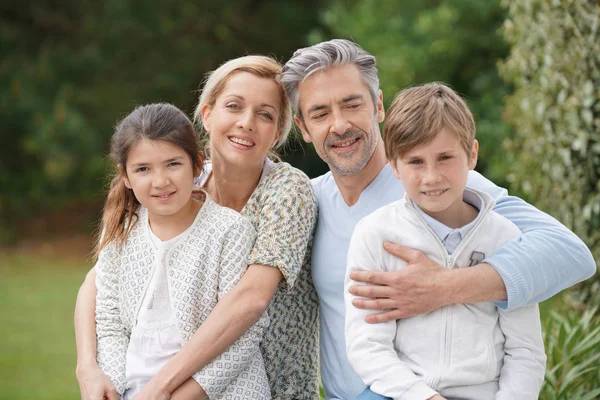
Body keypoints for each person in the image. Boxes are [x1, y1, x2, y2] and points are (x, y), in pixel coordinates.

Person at [280, 38, 595, 399]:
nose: (339, 125)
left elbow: (570, 254)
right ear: (303, 128)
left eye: (352, 104)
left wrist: (442, 288)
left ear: (378, 106)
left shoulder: (440, 187)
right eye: (320, 114)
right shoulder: (306, 203)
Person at [74, 56, 320, 400]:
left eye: (264, 114)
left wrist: (159, 389)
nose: (246, 122)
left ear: (278, 132)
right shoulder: (173, 182)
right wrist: (88, 367)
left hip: (270, 385)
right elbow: (99, 283)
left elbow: (250, 302)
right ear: (207, 114)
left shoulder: (288, 190)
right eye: (234, 106)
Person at [345, 82, 546, 400]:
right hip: (400, 392)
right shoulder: (375, 235)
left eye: (444, 158)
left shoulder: (507, 238)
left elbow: (525, 352)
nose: (431, 176)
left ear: (472, 155)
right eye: (415, 162)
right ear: (394, 165)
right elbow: (367, 345)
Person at [93, 102, 270, 399]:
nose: (161, 181)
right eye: (143, 169)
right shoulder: (121, 231)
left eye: (173, 164)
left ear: (197, 164)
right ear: (126, 176)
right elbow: (109, 324)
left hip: (216, 392)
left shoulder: (229, 230)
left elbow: (243, 335)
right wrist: (114, 387)